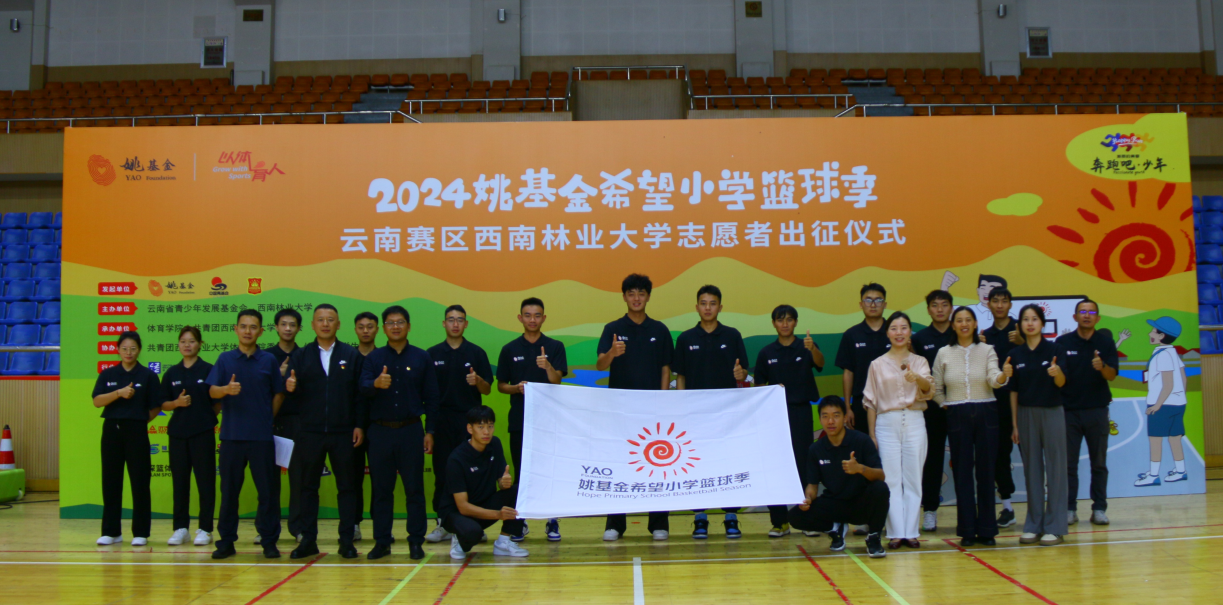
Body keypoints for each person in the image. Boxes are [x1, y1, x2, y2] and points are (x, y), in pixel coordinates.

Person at [596, 274, 676, 542]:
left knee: (658, 463)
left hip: (653, 409)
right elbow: (600, 365)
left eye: (641, 293)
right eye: (631, 293)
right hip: (620, 409)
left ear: (648, 296)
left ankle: (659, 523)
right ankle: (615, 524)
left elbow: (665, 368)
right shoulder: (613, 328)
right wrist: (612, 353)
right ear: (624, 297)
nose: (636, 298)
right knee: (620, 463)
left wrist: (663, 401)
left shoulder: (660, 330)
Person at [282, 304, 365, 559]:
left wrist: (359, 425)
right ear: (313, 325)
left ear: (338, 324)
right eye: (321, 319)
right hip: (310, 432)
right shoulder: (301, 355)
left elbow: (360, 395)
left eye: (331, 320)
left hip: (344, 432)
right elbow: (292, 396)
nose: (326, 324)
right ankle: (308, 540)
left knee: (347, 487)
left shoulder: (351, 355)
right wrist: (290, 387)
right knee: (307, 487)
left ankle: (346, 541)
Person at [360, 305, 439, 560]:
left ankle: (416, 541)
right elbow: (362, 389)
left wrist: (430, 431)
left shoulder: (421, 357)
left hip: (411, 430)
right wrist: (375, 384)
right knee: (381, 491)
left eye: (400, 322)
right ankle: (382, 541)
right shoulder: (373, 358)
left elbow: (432, 397)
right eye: (390, 323)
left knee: (414, 490)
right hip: (380, 432)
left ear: (408, 326)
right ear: (383, 328)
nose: (395, 326)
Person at [207, 309, 286, 559]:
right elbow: (211, 392)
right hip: (231, 437)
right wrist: (225, 390)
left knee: (268, 493)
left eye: (253, 327)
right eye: (243, 326)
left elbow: (279, 393)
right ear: (236, 329)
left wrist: (267, 419)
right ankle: (226, 541)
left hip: (261, 438)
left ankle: (269, 541)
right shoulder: (225, 359)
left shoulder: (268, 360)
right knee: (229, 493)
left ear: (261, 331)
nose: (248, 331)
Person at [673, 284, 749, 539]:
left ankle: (731, 516)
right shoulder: (686, 339)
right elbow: (680, 376)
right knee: (697, 464)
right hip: (695, 415)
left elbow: (744, 372)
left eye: (712, 303)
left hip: (727, 414)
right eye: (703, 303)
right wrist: (682, 408)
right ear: (697, 307)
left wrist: (741, 373)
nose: (708, 308)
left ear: (720, 307)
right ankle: (700, 517)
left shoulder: (732, 335)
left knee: (727, 463)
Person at [932, 306, 1010, 546]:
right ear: (953, 325)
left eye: (968, 320)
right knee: (962, 472)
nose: (964, 324)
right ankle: (967, 530)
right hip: (957, 414)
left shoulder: (987, 350)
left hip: (986, 411)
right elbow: (935, 387)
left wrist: (1003, 376)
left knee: (986, 471)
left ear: (975, 324)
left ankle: (987, 530)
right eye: (959, 320)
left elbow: (993, 378)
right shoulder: (943, 353)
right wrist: (945, 405)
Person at [495, 297, 567, 542]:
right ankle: (520, 521)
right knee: (522, 471)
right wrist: (516, 388)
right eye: (528, 315)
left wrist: (547, 367)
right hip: (520, 420)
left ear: (544, 318)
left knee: (549, 470)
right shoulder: (509, 349)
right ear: (520, 318)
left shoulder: (555, 346)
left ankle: (552, 520)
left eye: (537, 315)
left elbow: (557, 381)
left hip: (549, 421)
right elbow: (501, 385)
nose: (532, 320)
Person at [752, 304, 824, 538]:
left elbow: (821, 364)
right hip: (773, 415)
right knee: (776, 466)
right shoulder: (766, 352)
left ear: (796, 322)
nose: (785, 324)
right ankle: (780, 522)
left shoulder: (806, 346)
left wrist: (813, 349)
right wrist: (772, 390)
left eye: (789, 319)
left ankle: (807, 520)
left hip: (800, 412)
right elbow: (759, 385)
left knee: (804, 464)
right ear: (774, 323)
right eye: (780, 320)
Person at [863, 312, 932, 549]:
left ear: (910, 332)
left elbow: (929, 390)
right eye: (894, 328)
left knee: (913, 478)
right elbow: (870, 402)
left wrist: (917, 378)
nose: (899, 332)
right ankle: (895, 532)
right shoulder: (877, 364)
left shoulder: (920, 361)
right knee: (891, 479)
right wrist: (872, 434)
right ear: (887, 333)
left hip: (914, 420)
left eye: (904, 328)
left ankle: (910, 532)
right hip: (886, 423)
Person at [788, 396, 888, 558]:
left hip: (860, 504)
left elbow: (880, 476)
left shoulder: (861, 440)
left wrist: (860, 468)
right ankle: (834, 529)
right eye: (825, 416)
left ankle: (874, 538)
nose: (830, 421)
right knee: (795, 516)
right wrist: (807, 499)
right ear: (820, 419)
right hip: (834, 504)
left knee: (880, 488)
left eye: (836, 415)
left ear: (845, 417)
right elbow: (812, 486)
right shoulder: (816, 449)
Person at [425, 305, 493, 544]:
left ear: (466, 324)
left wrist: (478, 380)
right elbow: (428, 396)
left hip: (470, 423)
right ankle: (443, 523)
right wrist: (429, 430)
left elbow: (487, 389)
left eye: (460, 320)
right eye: (451, 319)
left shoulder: (476, 353)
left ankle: (474, 524)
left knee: (472, 474)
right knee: (443, 473)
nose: (455, 324)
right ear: (444, 323)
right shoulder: (432, 354)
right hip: (441, 422)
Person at [92, 331, 162, 547]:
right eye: (124, 348)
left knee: (140, 482)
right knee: (111, 481)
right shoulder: (108, 374)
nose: (128, 352)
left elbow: (156, 407)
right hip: (111, 430)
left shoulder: (148, 376)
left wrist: (138, 421)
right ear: (118, 350)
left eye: (133, 348)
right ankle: (111, 531)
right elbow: (97, 401)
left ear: (139, 350)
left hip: (136, 431)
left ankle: (140, 532)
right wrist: (118, 393)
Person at [1008, 304, 1068, 546]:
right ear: (1020, 325)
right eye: (1026, 319)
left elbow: (1062, 383)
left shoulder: (1055, 349)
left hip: (1052, 412)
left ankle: (1055, 526)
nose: (1030, 323)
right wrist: (1015, 424)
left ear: (1042, 323)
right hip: (1025, 414)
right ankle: (1033, 525)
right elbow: (1013, 391)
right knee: (1032, 470)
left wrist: (1056, 372)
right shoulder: (1016, 354)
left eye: (1034, 319)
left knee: (1056, 469)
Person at [1057, 299, 1119, 525]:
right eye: (1082, 311)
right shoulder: (1062, 342)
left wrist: (1102, 367)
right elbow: (1059, 378)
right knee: (1068, 465)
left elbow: (1112, 375)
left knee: (1099, 464)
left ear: (1098, 318)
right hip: (1069, 412)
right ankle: (1069, 509)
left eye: (1091, 312)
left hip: (1097, 412)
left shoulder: (1105, 342)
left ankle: (1099, 508)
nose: (1086, 315)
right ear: (1075, 317)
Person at [439, 405, 528, 560]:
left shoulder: (495, 444)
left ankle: (503, 542)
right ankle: (459, 537)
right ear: (470, 428)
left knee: (518, 491)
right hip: (456, 513)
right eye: (480, 427)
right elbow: (463, 506)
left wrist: (504, 483)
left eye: (490, 426)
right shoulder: (457, 459)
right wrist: (498, 514)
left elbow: (501, 482)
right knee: (473, 533)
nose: (486, 432)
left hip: (483, 504)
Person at [161, 326, 218, 547]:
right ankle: (180, 528)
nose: (187, 345)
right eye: (183, 341)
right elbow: (162, 403)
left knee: (205, 482)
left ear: (200, 344)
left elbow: (218, 402)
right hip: (177, 434)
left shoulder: (209, 370)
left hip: (202, 434)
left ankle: (205, 528)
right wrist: (176, 403)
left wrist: (204, 418)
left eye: (192, 341)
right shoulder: (172, 373)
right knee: (180, 482)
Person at [912, 289, 953, 532]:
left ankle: (969, 511)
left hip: (959, 406)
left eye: (944, 304)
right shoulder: (919, 339)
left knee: (964, 459)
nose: (939, 309)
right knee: (932, 460)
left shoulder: (960, 332)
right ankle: (930, 510)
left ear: (951, 308)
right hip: (931, 410)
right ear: (928, 309)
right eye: (935, 305)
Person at [980, 286, 1020, 529]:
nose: (1000, 305)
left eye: (1004, 301)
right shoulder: (985, 335)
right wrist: (978, 346)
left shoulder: (1021, 329)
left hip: (1024, 403)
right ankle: (1007, 508)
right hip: (995, 405)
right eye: (995, 301)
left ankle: (1043, 508)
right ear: (989, 304)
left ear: (1010, 304)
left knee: (1033, 456)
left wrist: (1023, 341)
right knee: (999, 457)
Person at [1135, 317, 1189, 487]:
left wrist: (1157, 405)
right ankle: (1181, 471)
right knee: (1175, 438)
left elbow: (1168, 384)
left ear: (1161, 336)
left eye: (1153, 331)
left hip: (1163, 405)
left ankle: (1153, 475)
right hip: (1178, 403)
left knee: (1155, 439)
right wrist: (1180, 397)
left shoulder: (1162, 355)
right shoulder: (1172, 352)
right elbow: (1183, 377)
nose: (1150, 334)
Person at [265, 307, 303, 543]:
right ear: (276, 327)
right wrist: (277, 376)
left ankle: (298, 527)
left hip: (298, 422)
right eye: (283, 324)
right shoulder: (265, 357)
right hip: (270, 422)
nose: (288, 328)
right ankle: (267, 528)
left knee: (298, 478)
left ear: (299, 328)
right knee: (268, 479)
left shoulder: (306, 355)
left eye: (292, 325)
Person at [836, 283, 891, 431]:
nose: (873, 305)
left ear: (885, 304)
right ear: (861, 304)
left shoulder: (894, 332)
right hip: (861, 403)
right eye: (868, 300)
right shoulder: (851, 335)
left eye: (878, 300)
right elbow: (848, 373)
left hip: (892, 402)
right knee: (864, 444)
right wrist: (848, 408)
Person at [351, 310, 379, 541]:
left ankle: (381, 524)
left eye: (370, 326)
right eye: (361, 327)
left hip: (380, 425)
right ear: (355, 330)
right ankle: (353, 523)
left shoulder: (384, 357)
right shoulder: (347, 358)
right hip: (351, 427)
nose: (366, 331)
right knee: (352, 478)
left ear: (377, 329)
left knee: (381, 478)